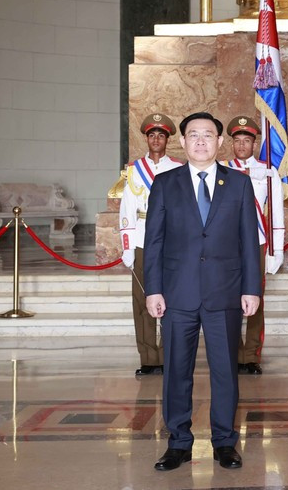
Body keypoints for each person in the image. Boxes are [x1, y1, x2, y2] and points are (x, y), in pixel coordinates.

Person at [143, 112, 261, 471]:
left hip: (224, 292)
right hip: (178, 293)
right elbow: (154, 241)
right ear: (182, 141)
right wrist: (154, 290)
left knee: (225, 370)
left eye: (207, 135)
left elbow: (248, 241)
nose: (200, 141)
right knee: (177, 371)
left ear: (219, 142)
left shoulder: (239, 184)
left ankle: (225, 442)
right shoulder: (165, 183)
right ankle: (178, 442)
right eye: (193, 135)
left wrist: (251, 288)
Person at [119, 113, 184, 377]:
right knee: (142, 299)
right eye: (152, 135)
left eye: (161, 135)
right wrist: (127, 246)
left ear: (167, 139)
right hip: (142, 239)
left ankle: (170, 355)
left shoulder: (178, 168)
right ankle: (148, 357)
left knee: (173, 299)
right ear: (146, 138)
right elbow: (127, 209)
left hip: (171, 241)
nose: (156, 139)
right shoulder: (135, 170)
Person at [225, 116, 285, 375]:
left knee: (255, 295)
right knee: (228, 298)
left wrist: (276, 250)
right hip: (225, 244)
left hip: (256, 242)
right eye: (237, 141)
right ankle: (231, 351)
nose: (241, 146)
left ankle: (251, 355)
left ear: (254, 144)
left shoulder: (267, 172)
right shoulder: (220, 169)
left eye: (246, 141)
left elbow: (276, 214)